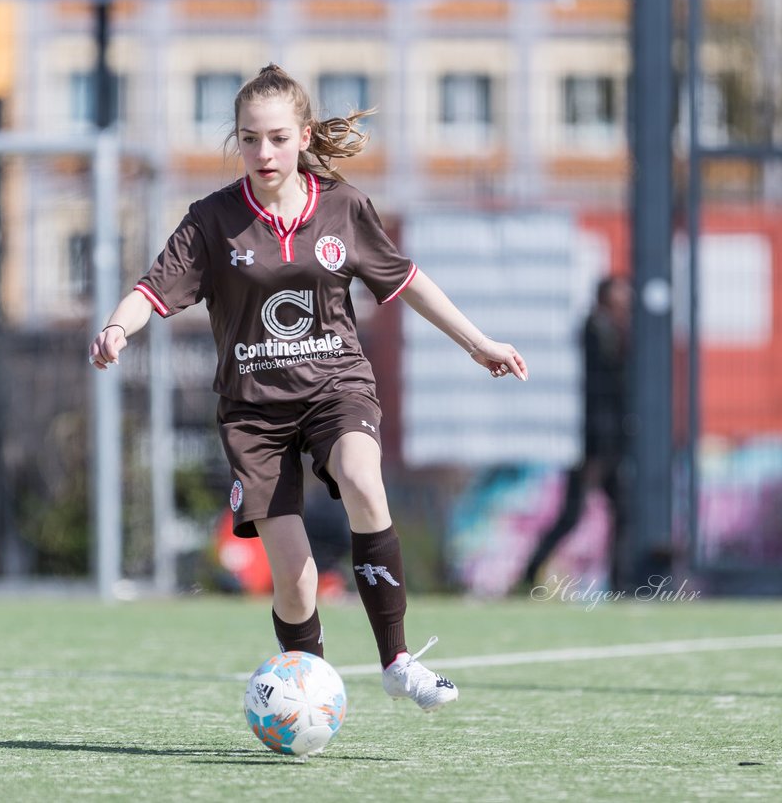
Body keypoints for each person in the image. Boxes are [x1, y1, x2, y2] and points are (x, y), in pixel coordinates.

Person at [89, 64, 528, 712]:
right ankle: (310, 696)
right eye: (248, 139)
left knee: (361, 477)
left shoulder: (344, 209)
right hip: (254, 414)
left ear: (303, 136)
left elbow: (407, 280)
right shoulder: (212, 221)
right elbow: (151, 290)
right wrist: (115, 327)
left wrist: (478, 342)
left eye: (275, 138)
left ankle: (398, 660)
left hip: (334, 388)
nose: (262, 153)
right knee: (294, 582)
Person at [517, 275, 631, 593]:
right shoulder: (598, 331)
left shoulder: (612, 330)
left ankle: (622, 582)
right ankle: (529, 573)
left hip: (607, 441)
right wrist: (597, 450)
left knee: (623, 511)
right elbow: (601, 392)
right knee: (573, 514)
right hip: (596, 442)